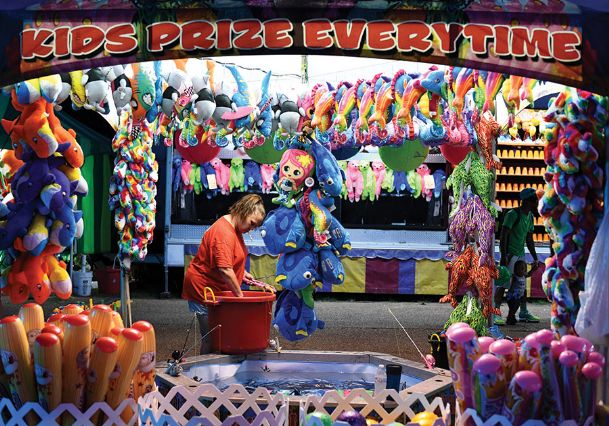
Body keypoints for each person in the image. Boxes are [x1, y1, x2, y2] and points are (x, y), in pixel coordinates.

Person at [182, 194, 267, 354]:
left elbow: (230, 261)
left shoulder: (234, 229)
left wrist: (243, 273)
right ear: (243, 211)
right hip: (204, 289)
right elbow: (225, 269)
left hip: (216, 287)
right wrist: (241, 299)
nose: (252, 229)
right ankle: (204, 375)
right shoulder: (224, 233)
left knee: (222, 336)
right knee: (212, 340)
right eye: (252, 223)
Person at [495, 187, 542, 324]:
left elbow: (529, 239)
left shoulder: (530, 217)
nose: (537, 205)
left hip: (520, 254)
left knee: (521, 285)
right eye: (535, 202)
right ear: (528, 202)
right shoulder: (512, 214)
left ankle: (523, 311)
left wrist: (534, 257)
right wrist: (503, 256)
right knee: (503, 283)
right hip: (510, 254)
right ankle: (496, 311)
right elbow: (503, 236)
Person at [505, 260, 536, 325]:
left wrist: (533, 268)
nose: (522, 271)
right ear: (515, 270)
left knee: (515, 308)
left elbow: (529, 274)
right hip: (512, 296)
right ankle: (509, 319)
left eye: (524, 269)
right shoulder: (515, 277)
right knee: (513, 308)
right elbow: (510, 284)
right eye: (520, 269)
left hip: (518, 296)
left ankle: (512, 318)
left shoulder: (524, 275)